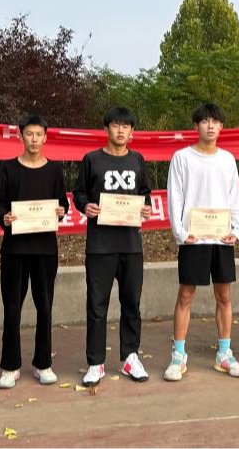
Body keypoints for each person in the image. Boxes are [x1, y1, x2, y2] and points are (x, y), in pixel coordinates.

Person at [163, 103, 239, 382]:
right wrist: (180, 232)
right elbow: (175, 196)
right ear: (196, 125)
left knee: (224, 296)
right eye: (205, 121)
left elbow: (234, 196)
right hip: (194, 238)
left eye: (215, 121)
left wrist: (236, 230)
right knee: (186, 295)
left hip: (221, 238)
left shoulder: (227, 159)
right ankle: (178, 355)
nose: (210, 126)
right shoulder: (182, 158)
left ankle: (224, 353)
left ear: (221, 127)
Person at [73, 107, 153, 386]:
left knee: (132, 303)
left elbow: (145, 194)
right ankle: (96, 362)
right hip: (100, 245)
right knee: (97, 306)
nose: (121, 131)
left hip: (131, 245)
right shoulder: (92, 160)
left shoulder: (137, 160)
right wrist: (85, 206)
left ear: (132, 132)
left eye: (126, 126)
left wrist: (146, 207)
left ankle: (130, 357)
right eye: (116, 125)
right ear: (106, 128)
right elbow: (79, 193)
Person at [0, 114, 70, 389]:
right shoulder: (8, 168)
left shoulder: (54, 170)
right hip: (14, 249)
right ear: (21, 136)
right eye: (29, 134)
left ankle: (42, 364)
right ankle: (9, 366)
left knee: (44, 308)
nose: (34, 139)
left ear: (45, 137)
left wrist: (60, 211)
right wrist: (4, 216)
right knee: (12, 308)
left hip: (45, 250)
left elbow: (63, 204)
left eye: (39, 135)